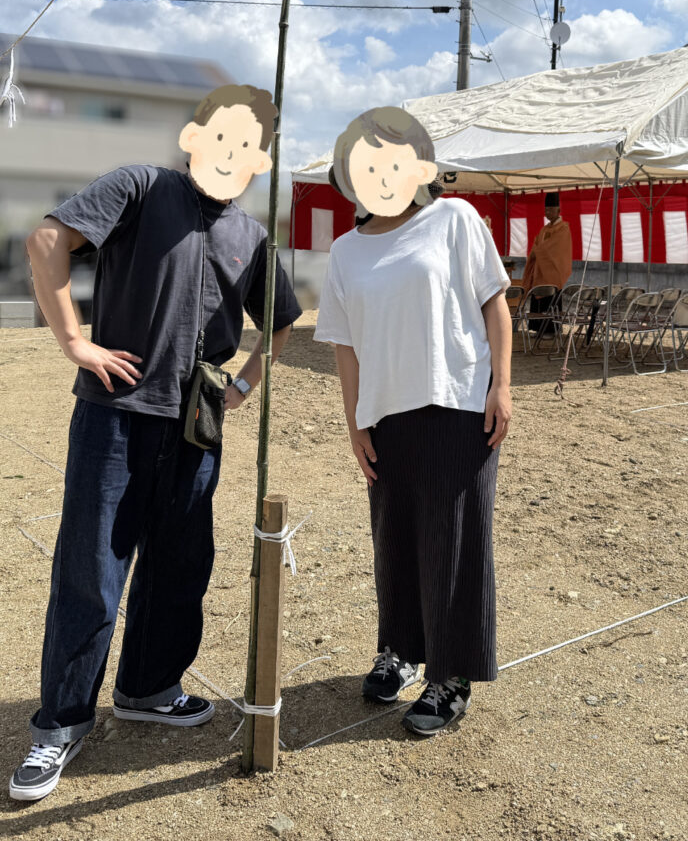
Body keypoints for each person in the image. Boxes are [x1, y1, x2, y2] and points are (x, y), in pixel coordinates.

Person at [10, 84, 302, 802]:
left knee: (181, 561)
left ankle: (148, 686)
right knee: (91, 566)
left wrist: (244, 384)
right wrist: (75, 341)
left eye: (247, 145)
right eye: (220, 136)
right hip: (115, 411)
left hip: (197, 422)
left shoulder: (251, 235)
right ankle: (61, 722)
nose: (230, 154)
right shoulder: (140, 187)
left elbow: (280, 319)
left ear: (261, 161)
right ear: (193, 137)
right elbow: (47, 241)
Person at [315, 106, 512, 736]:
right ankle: (399, 651)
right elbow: (346, 346)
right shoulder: (345, 251)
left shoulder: (454, 218)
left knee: (451, 541)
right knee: (395, 539)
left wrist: (502, 385)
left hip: (457, 404)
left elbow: (495, 304)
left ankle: (451, 676)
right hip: (384, 414)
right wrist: (355, 423)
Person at [521, 191, 573, 333]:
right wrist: (536, 251)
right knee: (539, 298)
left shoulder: (563, 229)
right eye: (546, 210)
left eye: (550, 209)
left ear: (558, 210)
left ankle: (551, 330)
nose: (547, 212)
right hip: (540, 272)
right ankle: (537, 328)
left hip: (553, 272)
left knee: (550, 298)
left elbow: (552, 248)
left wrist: (538, 250)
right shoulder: (544, 229)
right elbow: (536, 245)